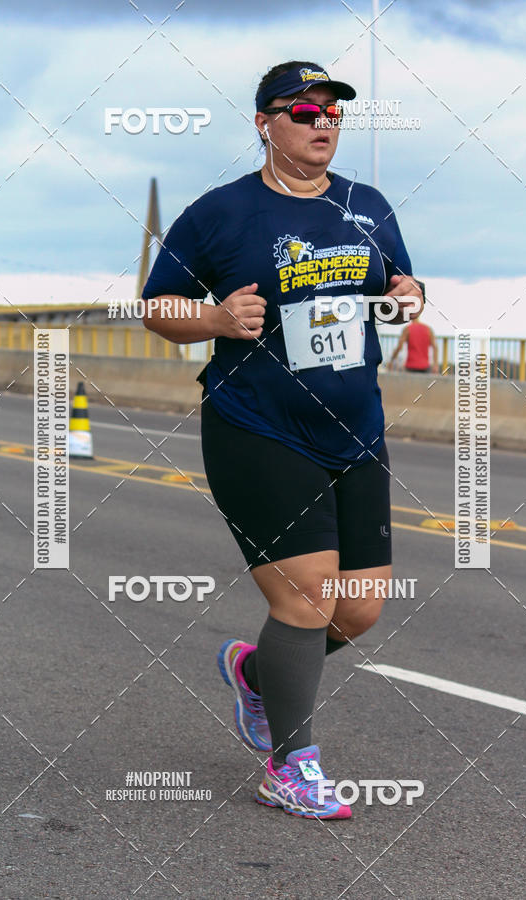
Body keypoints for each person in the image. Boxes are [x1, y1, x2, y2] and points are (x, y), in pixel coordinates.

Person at [142, 60, 424, 820]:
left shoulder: (367, 206)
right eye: (304, 111)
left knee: (359, 609)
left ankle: (260, 676)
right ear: (264, 123)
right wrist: (212, 319)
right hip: (257, 425)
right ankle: (291, 767)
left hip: (355, 428)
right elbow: (158, 305)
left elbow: (403, 284)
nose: (323, 122)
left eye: (333, 111)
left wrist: (407, 297)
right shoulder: (221, 213)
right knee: (307, 596)